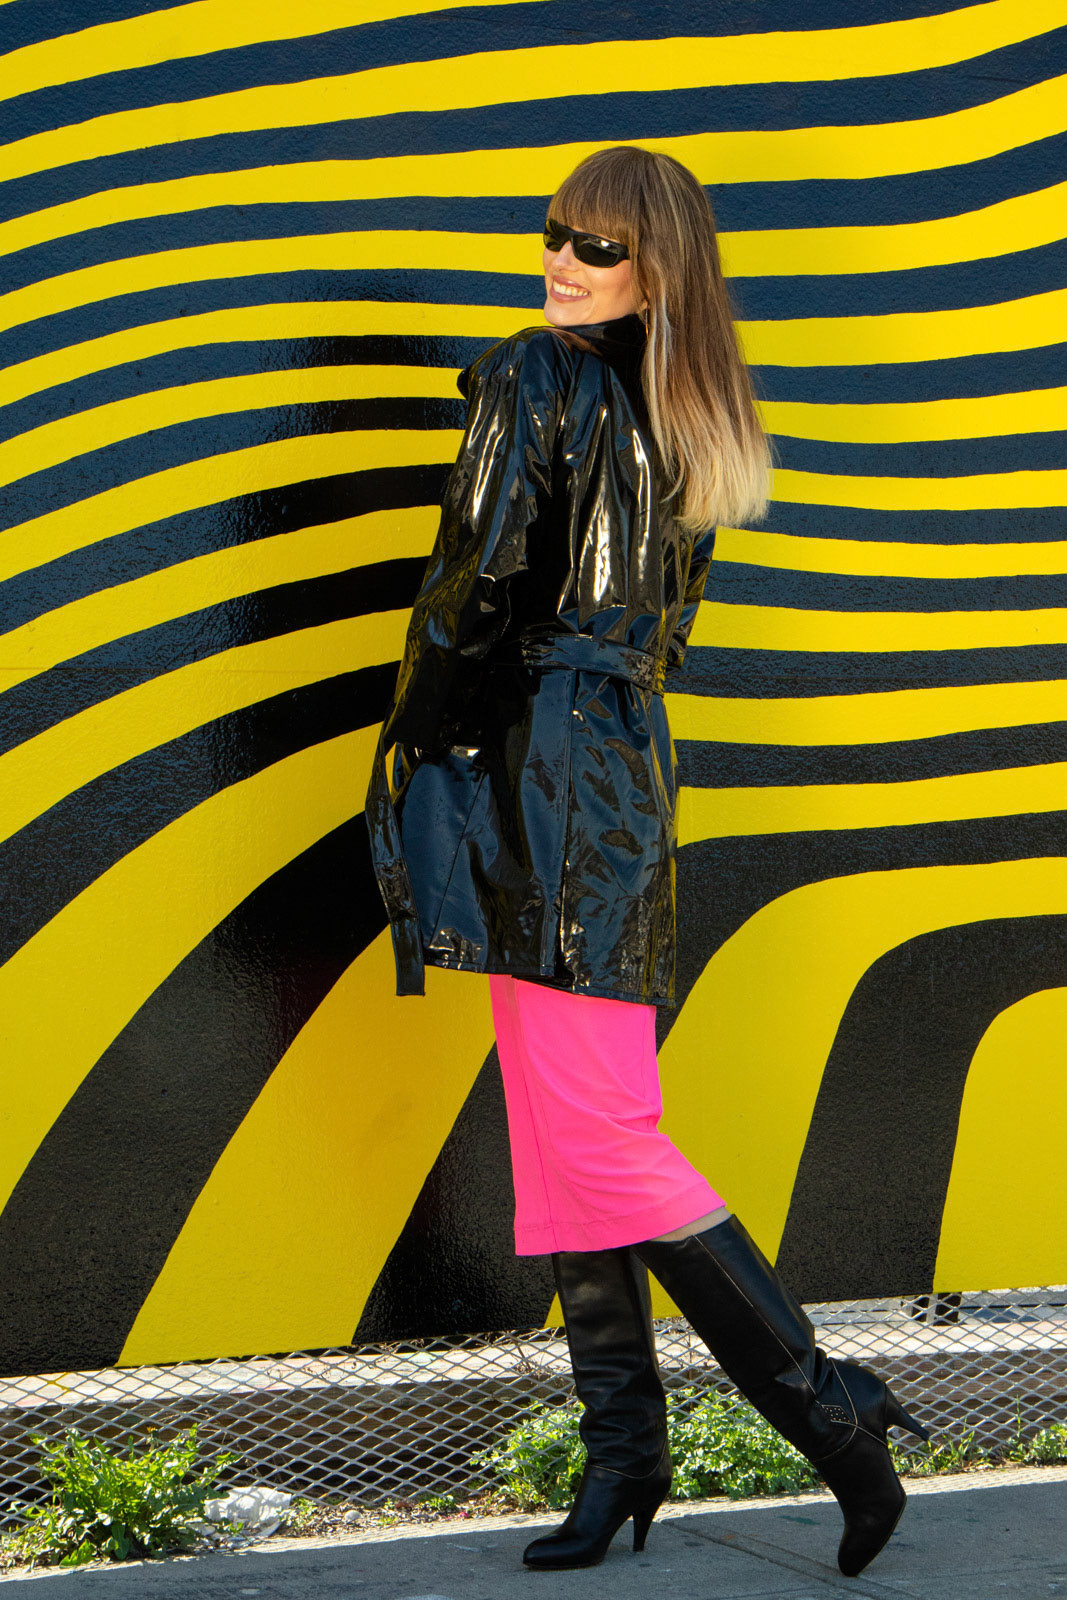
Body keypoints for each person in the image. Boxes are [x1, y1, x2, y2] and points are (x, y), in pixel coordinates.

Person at [366, 144, 927, 1578]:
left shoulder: (536, 376)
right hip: (613, 763)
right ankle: (625, 1453)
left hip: (535, 767)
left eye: (598, 246)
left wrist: (415, 739)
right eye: (555, 235)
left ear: (654, 268)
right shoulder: (692, 411)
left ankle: (834, 1414)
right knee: (565, 1141)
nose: (562, 263)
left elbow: (474, 583)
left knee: (603, 1135)